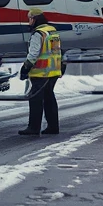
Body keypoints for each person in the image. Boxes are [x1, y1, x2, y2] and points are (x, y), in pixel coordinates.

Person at [19, 8, 62, 136]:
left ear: (35, 19)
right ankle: (53, 126)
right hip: (53, 72)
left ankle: (33, 127)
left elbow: (33, 54)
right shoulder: (51, 31)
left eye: (30, 19)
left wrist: (25, 68)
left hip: (40, 73)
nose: (29, 22)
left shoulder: (38, 34)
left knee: (35, 99)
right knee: (49, 98)